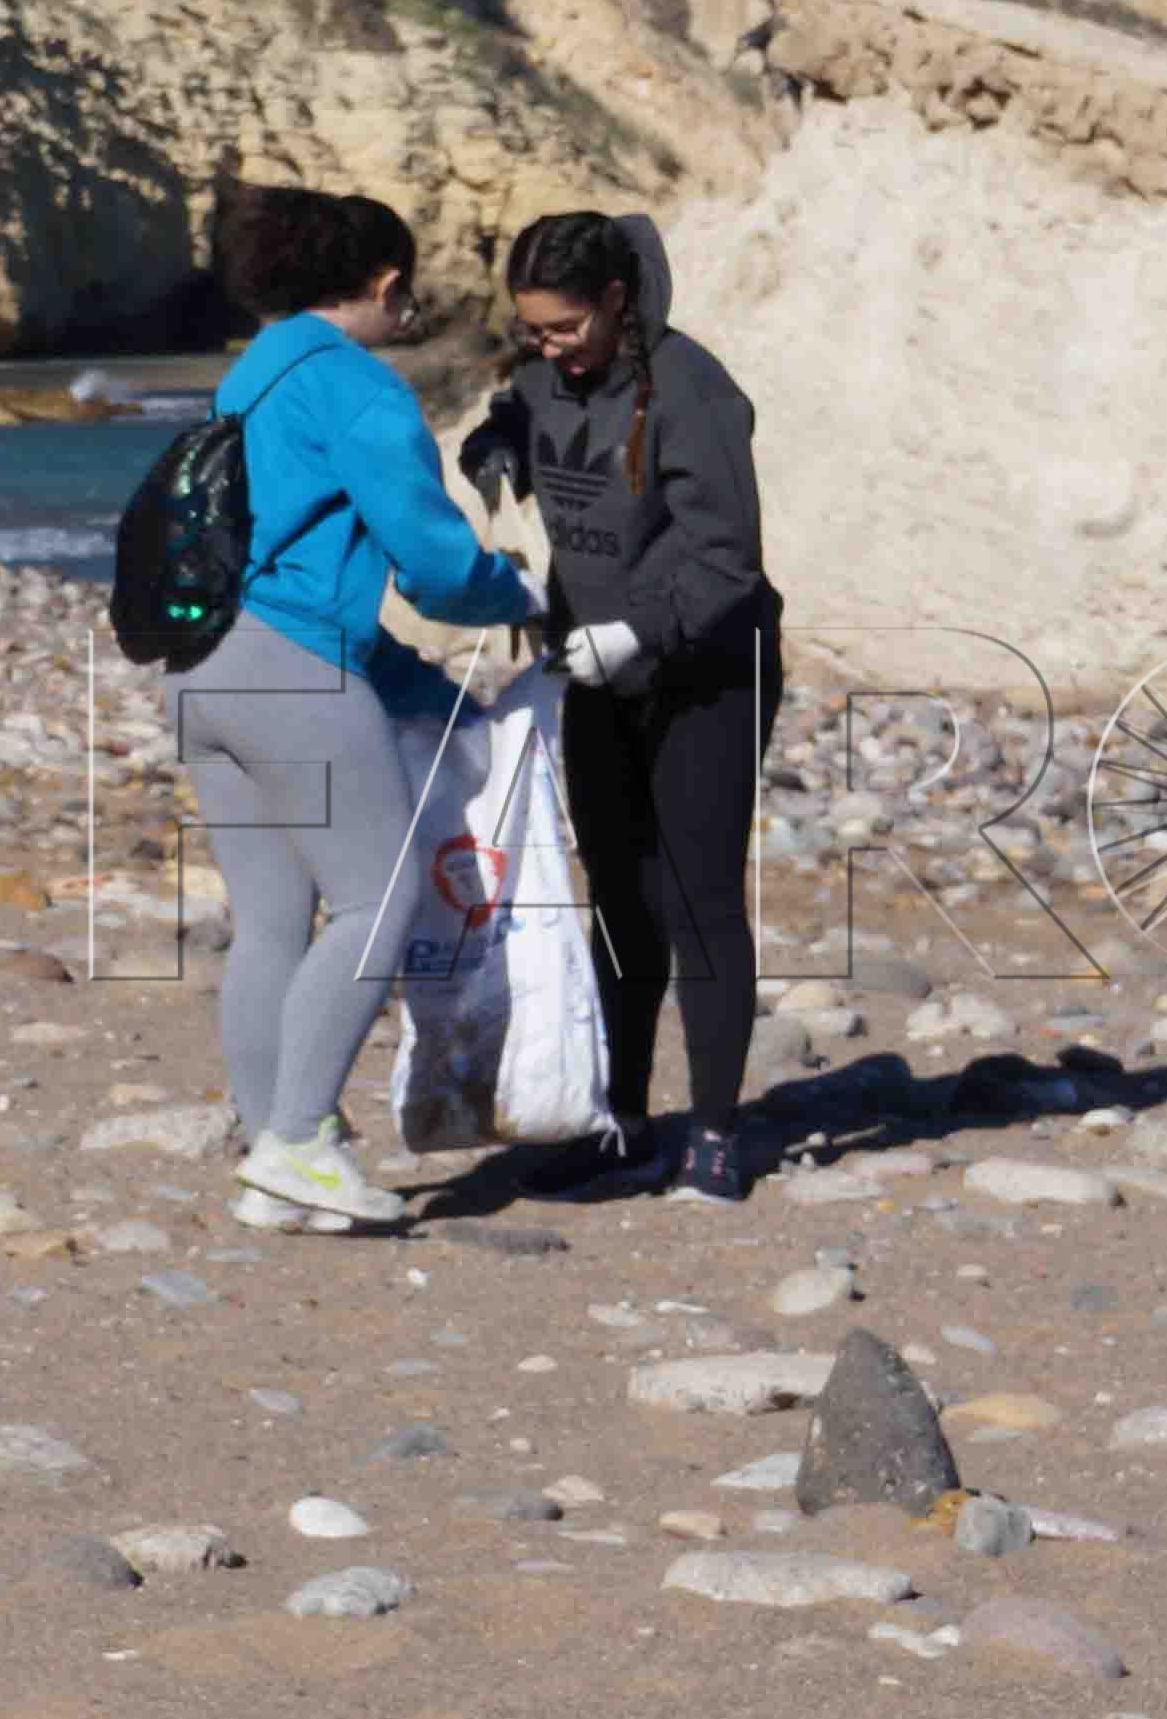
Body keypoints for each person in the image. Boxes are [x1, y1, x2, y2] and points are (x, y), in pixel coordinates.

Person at [178, 189, 545, 1234]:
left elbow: (299, 569)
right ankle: (299, 1140)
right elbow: (433, 565)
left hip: (201, 666)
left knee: (270, 921)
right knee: (378, 899)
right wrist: (517, 593)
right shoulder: (358, 387)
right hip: (291, 673)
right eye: (407, 293)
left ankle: (273, 1156)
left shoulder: (251, 374)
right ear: (384, 283)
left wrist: (432, 694)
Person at [461, 207, 780, 1203]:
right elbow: (516, 408)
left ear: (613, 299)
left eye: (564, 327)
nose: (548, 347)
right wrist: (494, 446)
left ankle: (716, 1135)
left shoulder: (692, 390)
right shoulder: (547, 374)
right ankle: (623, 1122)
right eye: (531, 331)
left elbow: (727, 559)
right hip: (596, 676)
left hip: (708, 673)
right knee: (617, 900)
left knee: (697, 897)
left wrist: (640, 630)